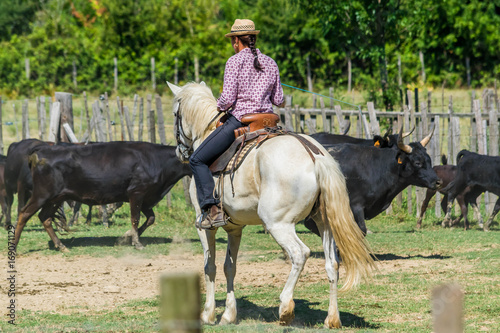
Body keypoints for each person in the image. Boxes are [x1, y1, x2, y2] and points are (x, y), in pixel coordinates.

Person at [190, 18, 285, 229]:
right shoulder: (271, 62)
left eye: (232, 41)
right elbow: (279, 100)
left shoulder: (234, 62)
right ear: (253, 38)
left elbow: (227, 100)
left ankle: (212, 210)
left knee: (197, 160)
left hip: (241, 120)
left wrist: (219, 104)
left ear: (235, 41)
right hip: (268, 122)